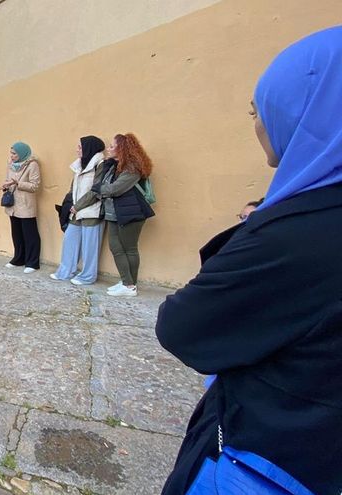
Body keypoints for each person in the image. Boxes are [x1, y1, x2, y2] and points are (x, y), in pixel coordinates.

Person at [157, 27, 342, 495]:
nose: (255, 124)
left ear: (300, 110)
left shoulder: (300, 232)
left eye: (259, 110)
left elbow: (182, 326)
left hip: (272, 460)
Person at [92, 134, 154, 297]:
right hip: (113, 212)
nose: (108, 149)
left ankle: (129, 285)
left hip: (131, 212)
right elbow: (102, 185)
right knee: (116, 247)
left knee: (129, 248)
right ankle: (127, 281)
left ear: (122, 149)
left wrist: (99, 189)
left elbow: (114, 189)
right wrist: (100, 188)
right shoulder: (114, 165)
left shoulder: (132, 168)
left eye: (112, 146)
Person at [51, 136, 106, 285]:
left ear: (89, 148)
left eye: (80, 147)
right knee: (69, 240)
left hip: (92, 211)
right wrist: (70, 204)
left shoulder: (100, 165)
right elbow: (73, 187)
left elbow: (96, 191)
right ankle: (65, 271)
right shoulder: (80, 165)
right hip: (76, 211)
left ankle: (87, 276)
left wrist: (78, 206)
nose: (77, 150)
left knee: (90, 247)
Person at [2, 141, 42, 273]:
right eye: (11, 153)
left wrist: (18, 183)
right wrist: (5, 186)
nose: (12, 156)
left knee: (30, 234)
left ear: (22, 153)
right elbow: (8, 180)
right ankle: (18, 258)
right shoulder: (10, 164)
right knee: (16, 233)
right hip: (13, 204)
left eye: (14, 153)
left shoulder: (32, 165)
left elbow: (35, 185)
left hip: (26, 204)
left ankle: (32, 262)